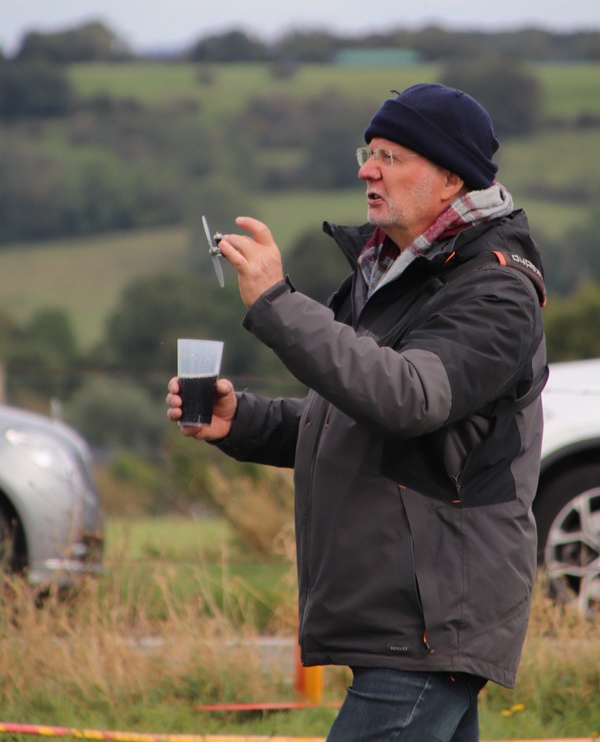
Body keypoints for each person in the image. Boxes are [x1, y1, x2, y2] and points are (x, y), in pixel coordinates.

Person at [166, 82, 548, 742]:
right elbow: (354, 415)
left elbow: (408, 397)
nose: (367, 170)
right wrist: (244, 421)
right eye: (367, 153)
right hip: (405, 620)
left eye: (391, 157)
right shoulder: (387, 271)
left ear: (451, 177)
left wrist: (277, 305)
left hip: (431, 619)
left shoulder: (496, 290)